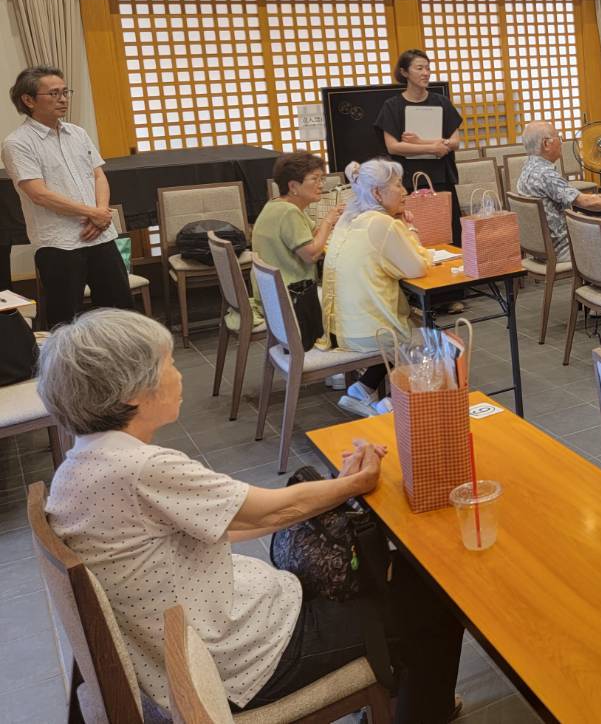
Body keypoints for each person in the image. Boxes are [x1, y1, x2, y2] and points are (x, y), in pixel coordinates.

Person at [37, 309, 462, 723]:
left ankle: (398, 696)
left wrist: (337, 486)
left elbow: (240, 519)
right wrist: (353, 484)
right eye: (168, 365)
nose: (179, 375)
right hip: (240, 667)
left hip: (195, 648)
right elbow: (273, 508)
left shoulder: (79, 469)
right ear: (132, 393)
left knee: (369, 579)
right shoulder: (140, 469)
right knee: (434, 599)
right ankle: (425, 709)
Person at [1, 67, 133, 328]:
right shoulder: (17, 143)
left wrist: (101, 213)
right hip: (59, 244)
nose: (63, 99)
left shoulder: (78, 133)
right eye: (54, 94)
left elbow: (98, 175)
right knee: (66, 320)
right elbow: (39, 194)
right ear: (28, 100)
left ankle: (122, 355)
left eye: (65, 92)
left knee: (120, 311)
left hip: (101, 236)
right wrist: (93, 213)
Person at [322, 159, 433, 418]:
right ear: (376, 193)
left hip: (339, 327)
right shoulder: (382, 223)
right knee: (432, 339)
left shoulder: (348, 217)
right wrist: (409, 228)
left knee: (405, 323)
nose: (404, 191)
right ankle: (393, 405)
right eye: (398, 185)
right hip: (368, 333)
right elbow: (417, 267)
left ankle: (362, 389)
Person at [251, 151, 342, 349]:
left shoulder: (277, 205)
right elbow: (312, 254)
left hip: (275, 295)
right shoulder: (288, 212)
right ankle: (345, 358)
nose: (321, 185)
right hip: (291, 299)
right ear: (293, 186)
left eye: (322, 179)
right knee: (346, 299)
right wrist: (328, 221)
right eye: (315, 179)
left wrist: (331, 221)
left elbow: (313, 233)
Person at [375, 49, 464, 244]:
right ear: (404, 72)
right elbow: (393, 147)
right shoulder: (392, 106)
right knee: (413, 234)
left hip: (441, 176)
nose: (426, 73)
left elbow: (455, 142)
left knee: (448, 233)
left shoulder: (441, 102)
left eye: (428, 68)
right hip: (406, 180)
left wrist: (419, 142)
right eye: (419, 68)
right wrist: (433, 147)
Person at [514, 121, 601, 261]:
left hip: (542, 248)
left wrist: (600, 196)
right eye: (558, 138)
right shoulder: (545, 174)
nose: (561, 142)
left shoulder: (528, 168)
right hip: (564, 248)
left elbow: (570, 195)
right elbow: (585, 202)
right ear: (546, 144)